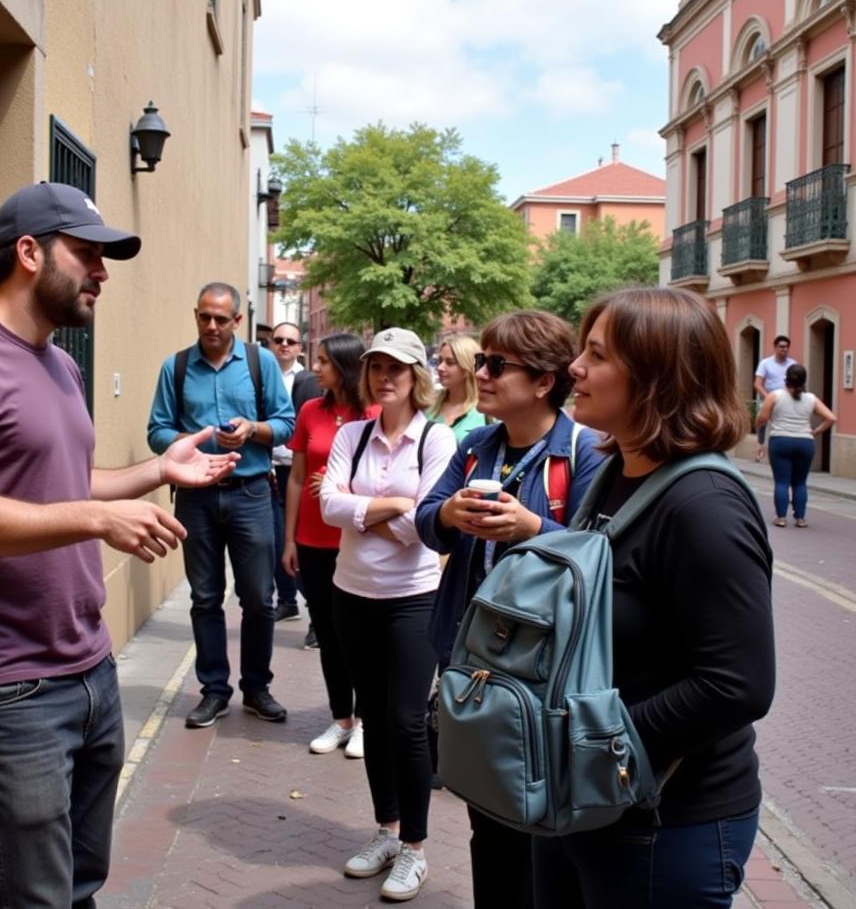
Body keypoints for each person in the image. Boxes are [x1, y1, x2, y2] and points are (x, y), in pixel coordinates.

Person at [0, 182, 240, 909]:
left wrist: (156, 471)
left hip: (87, 670)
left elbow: (60, 478)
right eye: (87, 253)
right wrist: (93, 521)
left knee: (79, 888)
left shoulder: (61, 363)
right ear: (28, 253)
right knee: (33, 899)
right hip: (5, 687)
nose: (102, 272)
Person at [531, 287, 775, 909]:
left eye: (596, 355)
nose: (575, 370)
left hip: (665, 826)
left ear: (657, 377)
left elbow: (737, 684)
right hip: (584, 805)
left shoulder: (704, 507)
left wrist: (591, 746)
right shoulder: (616, 470)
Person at [416, 310, 605, 909]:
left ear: (545, 381)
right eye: (481, 363)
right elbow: (428, 518)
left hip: (541, 678)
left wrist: (531, 529)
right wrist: (449, 516)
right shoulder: (478, 446)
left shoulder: (582, 453)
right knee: (487, 824)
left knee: (540, 829)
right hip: (473, 665)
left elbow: (594, 559)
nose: (482, 375)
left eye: (497, 365)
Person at [321, 328, 457, 902]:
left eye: (397, 367)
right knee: (374, 719)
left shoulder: (437, 440)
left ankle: (415, 849)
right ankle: (387, 829)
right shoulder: (352, 435)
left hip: (414, 598)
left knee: (405, 722)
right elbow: (328, 505)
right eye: (376, 366)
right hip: (352, 593)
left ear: (416, 376)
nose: (384, 376)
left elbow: (421, 530)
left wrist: (373, 513)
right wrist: (393, 505)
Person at [147, 283, 295, 728]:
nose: (212, 326)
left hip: (250, 493)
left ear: (236, 321)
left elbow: (286, 424)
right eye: (204, 317)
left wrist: (252, 430)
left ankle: (256, 688)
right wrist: (194, 442)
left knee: (258, 598)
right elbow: (156, 431)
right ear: (196, 316)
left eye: (221, 318)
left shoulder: (259, 362)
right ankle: (213, 691)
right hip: (195, 497)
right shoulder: (175, 368)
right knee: (205, 598)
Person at [282, 332, 374, 758]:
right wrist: (289, 539)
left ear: (345, 366)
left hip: (357, 541)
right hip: (313, 541)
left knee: (360, 636)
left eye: (322, 362)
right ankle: (341, 719)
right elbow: (297, 477)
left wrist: (342, 488)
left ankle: (366, 722)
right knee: (327, 633)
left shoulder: (374, 414)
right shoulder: (309, 411)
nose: (315, 368)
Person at [269, 320, 322, 634]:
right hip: (270, 469)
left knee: (303, 544)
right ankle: (287, 600)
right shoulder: (261, 374)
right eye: (279, 339)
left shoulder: (307, 381)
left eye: (291, 341)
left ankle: (316, 615)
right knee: (277, 541)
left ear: (300, 347)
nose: (284, 345)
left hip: (299, 471)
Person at [756, 362, 836, 528]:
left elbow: (761, 419)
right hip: (805, 442)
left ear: (786, 379)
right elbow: (831, 418)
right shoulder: (811, 399)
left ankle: (781, 518)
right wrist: (815, 431)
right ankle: (800, 518)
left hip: (780, 441)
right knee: (800, 482)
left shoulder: (774, 396)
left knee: (782, 482)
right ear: (804, 381)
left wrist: (760, 437)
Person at [429, 334, 488, 445]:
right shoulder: (428, 408)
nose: (440, 367)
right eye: (440, 361)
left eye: (450, 362)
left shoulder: (486, 413)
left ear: (467, 367)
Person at [754, 335, 796, 448]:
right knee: (761, 422)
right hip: (768, 398)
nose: (784, 349)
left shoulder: (792, 364)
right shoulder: (765, 363)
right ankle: (760, 445)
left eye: (786, 347)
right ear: (775, 347)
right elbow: (758, 384)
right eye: (781, 346)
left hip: (786, 401)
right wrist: (768, 398)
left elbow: (797, 384)